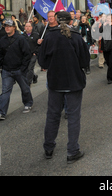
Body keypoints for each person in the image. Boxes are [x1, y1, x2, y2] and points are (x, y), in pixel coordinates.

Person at [38, 11, 90, 164]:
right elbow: (84, 61)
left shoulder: (49, 37)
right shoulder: (76, 37)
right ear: (70, 21)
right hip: (73, 82)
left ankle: (48, 147)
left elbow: (43, 62)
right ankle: (72, 150)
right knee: (73, 117)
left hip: (55, 82)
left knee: (52, 115)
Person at [0, 19, 33, 120]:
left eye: (9, 26)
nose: (7, 28)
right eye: (5, 26)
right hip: (7, 70)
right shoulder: (3, 40)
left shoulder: (21, 39)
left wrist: (23, 68)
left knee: (25, 88)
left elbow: (27, 54)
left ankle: (28, 103)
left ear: (14, 27)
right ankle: (0, 112)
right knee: (5, 91)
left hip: (19, 69)